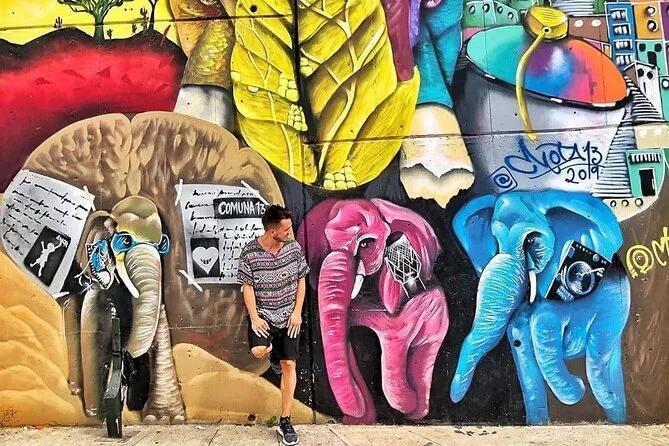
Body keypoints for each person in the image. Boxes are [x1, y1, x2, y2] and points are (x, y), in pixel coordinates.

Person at [237, 204, 309, 446]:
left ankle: (285, 421)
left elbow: (301, 280)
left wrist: (297, 312)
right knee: (260, 351)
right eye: (286, 229)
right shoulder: (250, 253)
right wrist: (255, 317)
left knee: (290, 364)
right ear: (272, 231)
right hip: (264, 316)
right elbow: (247, 287)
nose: (289, 232)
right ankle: (273, 354)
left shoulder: (293, 248)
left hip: (289, 317)